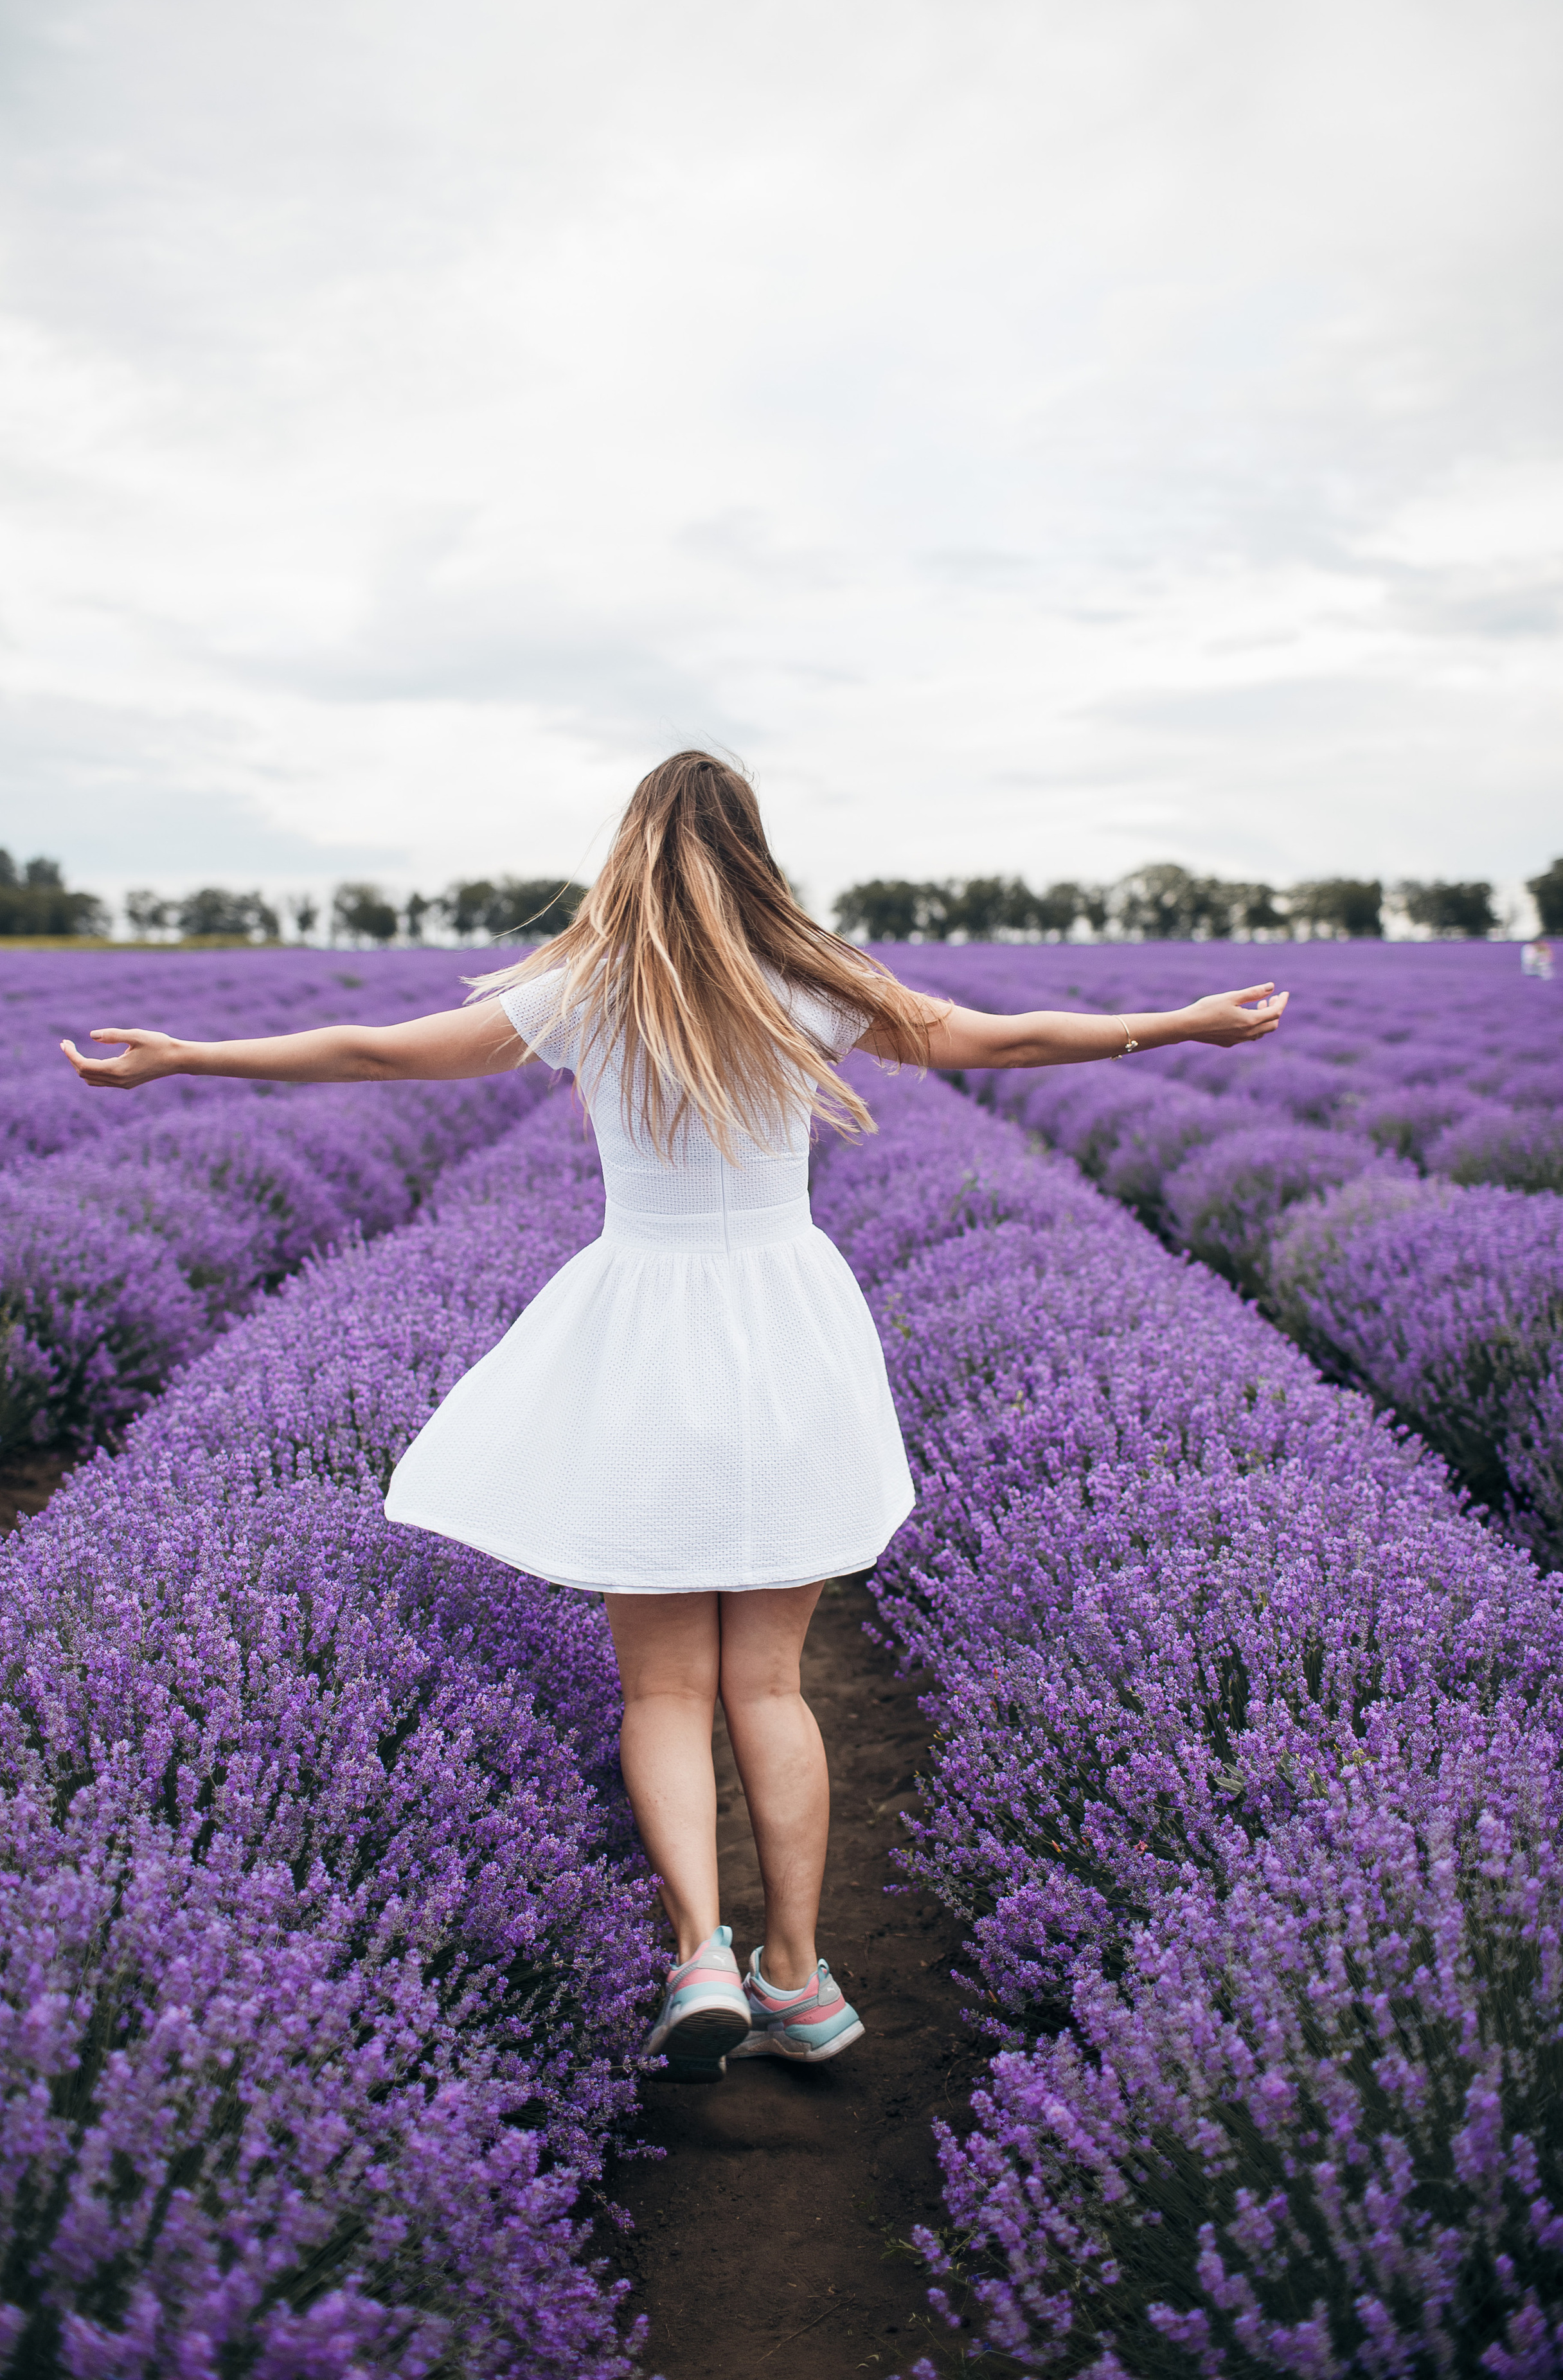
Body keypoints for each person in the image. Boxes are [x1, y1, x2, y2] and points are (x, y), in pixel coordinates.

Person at [62, 751, 1289, 2082]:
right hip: (786, 1336)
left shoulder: (591, 988)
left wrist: (189, 1057)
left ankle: (697, 1948)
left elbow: (376, 1050)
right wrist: (1179, 1025)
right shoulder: (809, 987)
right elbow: (998, 1037)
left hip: (639, 1332)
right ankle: (799, 1979)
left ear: (631, 849)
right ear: (754, 851)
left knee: (660, 1685)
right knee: (770, 1683)